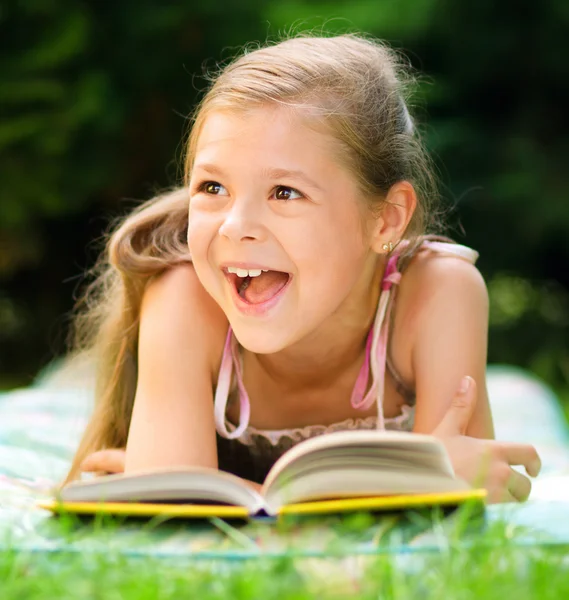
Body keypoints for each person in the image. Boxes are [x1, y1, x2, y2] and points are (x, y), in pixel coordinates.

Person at [66, 34, 541, 503]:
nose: (235, 227)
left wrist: (228, 490)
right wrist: (410, 483)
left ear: (386, 219)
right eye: (212, 187)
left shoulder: (438, 292)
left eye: (285, 193)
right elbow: (174, 513)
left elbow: (465, 499)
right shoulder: (185, 298)